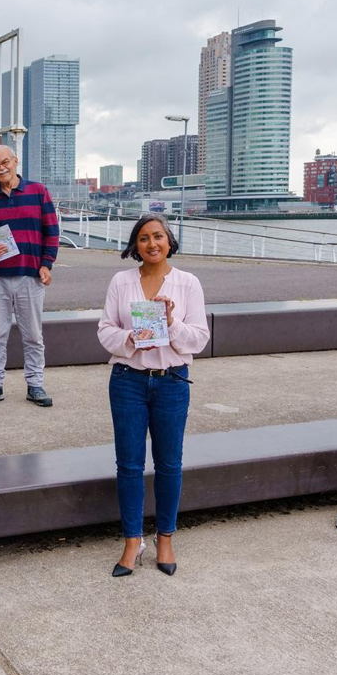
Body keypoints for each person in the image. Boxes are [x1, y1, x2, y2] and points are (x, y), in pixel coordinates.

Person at [97, 215, 209, 577]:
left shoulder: (187, 283)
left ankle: (165, 537)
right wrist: (131, 337)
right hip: (128, 379)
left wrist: (170, 322)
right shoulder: (121, 281)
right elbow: (105, 329)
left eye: (158, 236)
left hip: (172, 381)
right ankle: (132, 540)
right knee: (129, 465)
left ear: (169, 240)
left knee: (169, 464)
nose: (151, 244)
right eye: (143, 238)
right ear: (135, 245)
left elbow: (199, 338)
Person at [0, 144, 59, 408]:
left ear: (16, 160)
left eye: (5, 162)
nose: (1, 168)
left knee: (33, 334)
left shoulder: (38, 192)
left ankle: (35, 384)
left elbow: (51, 232)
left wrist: (47, 265)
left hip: (29, 276)